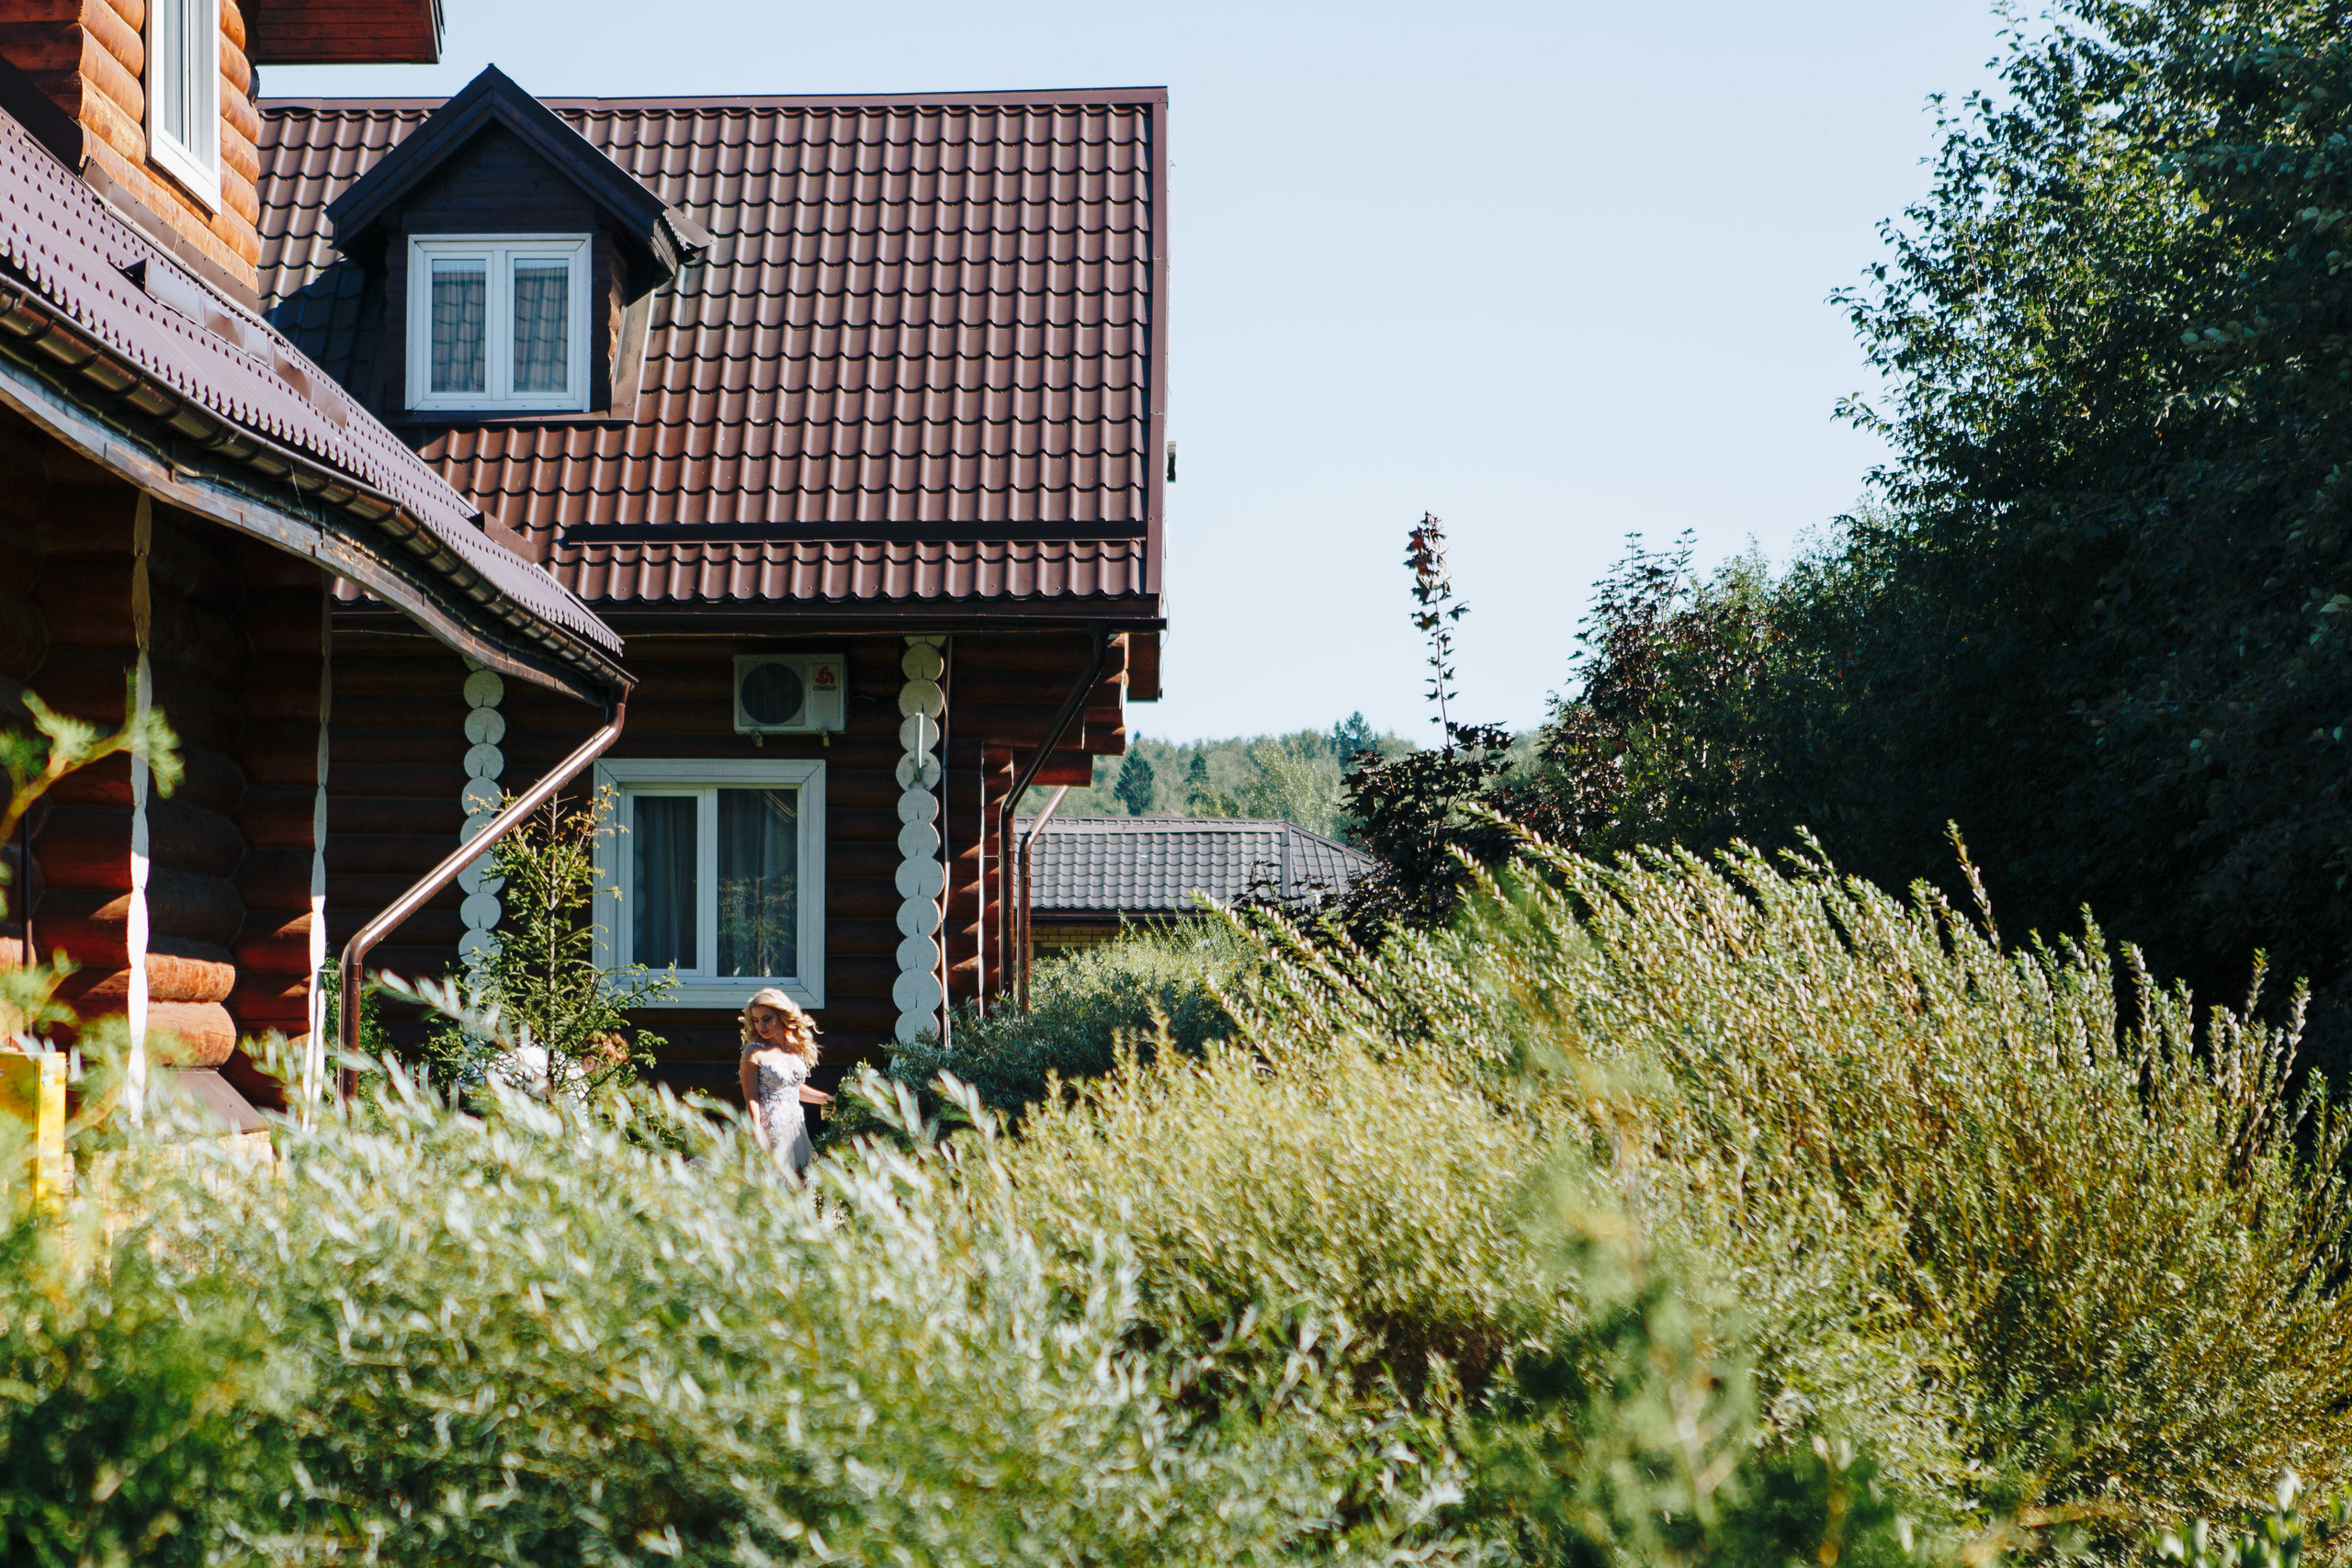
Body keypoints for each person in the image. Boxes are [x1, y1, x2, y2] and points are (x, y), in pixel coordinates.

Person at [738, 987, 832, 1174]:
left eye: (767, 1019)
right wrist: (756, 1136)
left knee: (800, 1180)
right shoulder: (752, 1052)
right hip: (769, 1129)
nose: (761, 1026)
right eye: (756, 1020)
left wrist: (827, 1099)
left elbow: (792, 1088)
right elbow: (752, 1099)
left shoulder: (795, 1046)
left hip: (795, 1128)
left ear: (782, 1016)